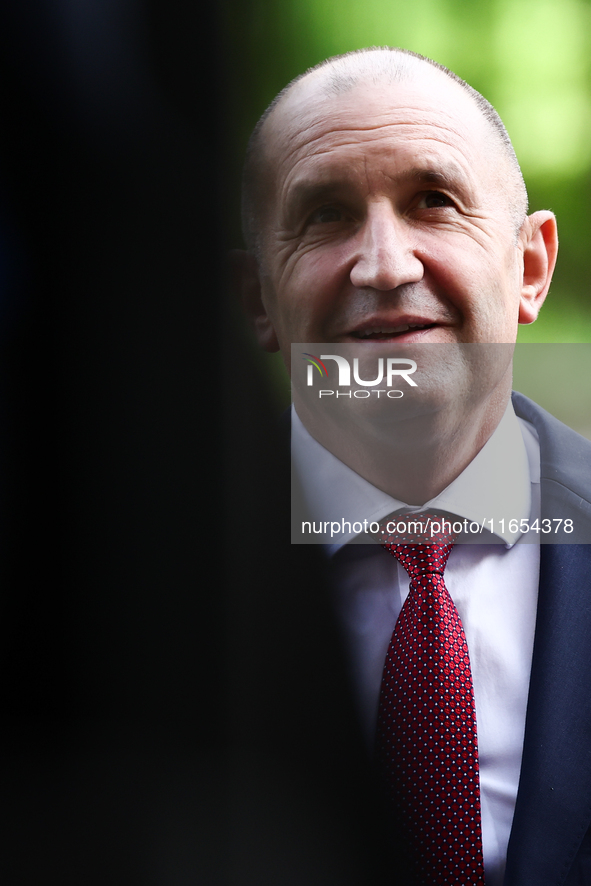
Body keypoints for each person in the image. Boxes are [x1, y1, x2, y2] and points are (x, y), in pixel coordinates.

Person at [232, 47, 591, 886]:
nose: (386, 266)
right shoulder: (120, 584)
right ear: (255, 302)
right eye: (323, 216)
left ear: (530, 268)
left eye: (434, 202)